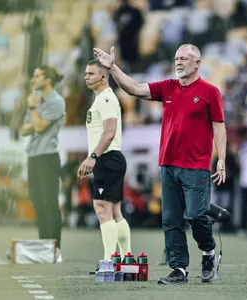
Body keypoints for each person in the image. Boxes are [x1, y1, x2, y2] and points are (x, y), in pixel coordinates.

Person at [93, 44, 227, 285]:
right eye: (176, 58)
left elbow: (219, 126)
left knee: (196, 215)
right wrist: (112, 67)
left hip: (197, 166)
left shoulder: (210, 91)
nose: (179, 62)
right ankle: (179, 270)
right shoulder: (167, 87)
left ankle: (208, 252)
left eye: (184, 59)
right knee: (171, 220)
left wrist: (222, 161)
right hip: (168, 164)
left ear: (197, 63)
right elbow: (133, 88)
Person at [77, 60, 131, 269]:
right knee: (114, 211)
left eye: (91, 73)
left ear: (103, 76)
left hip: (107, 159)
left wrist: (92, 156)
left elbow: (109, 132)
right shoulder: (101, 98)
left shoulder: (106, 99)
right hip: (110, 159)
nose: (86, 77)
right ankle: (126, 258)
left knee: (102, 209)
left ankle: (109, 260)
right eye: (85, 73)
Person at [20, 65, 65, 261]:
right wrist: (35, 117)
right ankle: (43, 247)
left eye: (37, 75)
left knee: (50, 203)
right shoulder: (37, 100)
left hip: (48, 157)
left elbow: (37, 127)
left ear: (48, 80)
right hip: (34, 156)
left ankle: (53, 248)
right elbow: (24, 129)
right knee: (38, 203)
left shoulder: (56, 101)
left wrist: (32, 108)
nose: (33, 78)